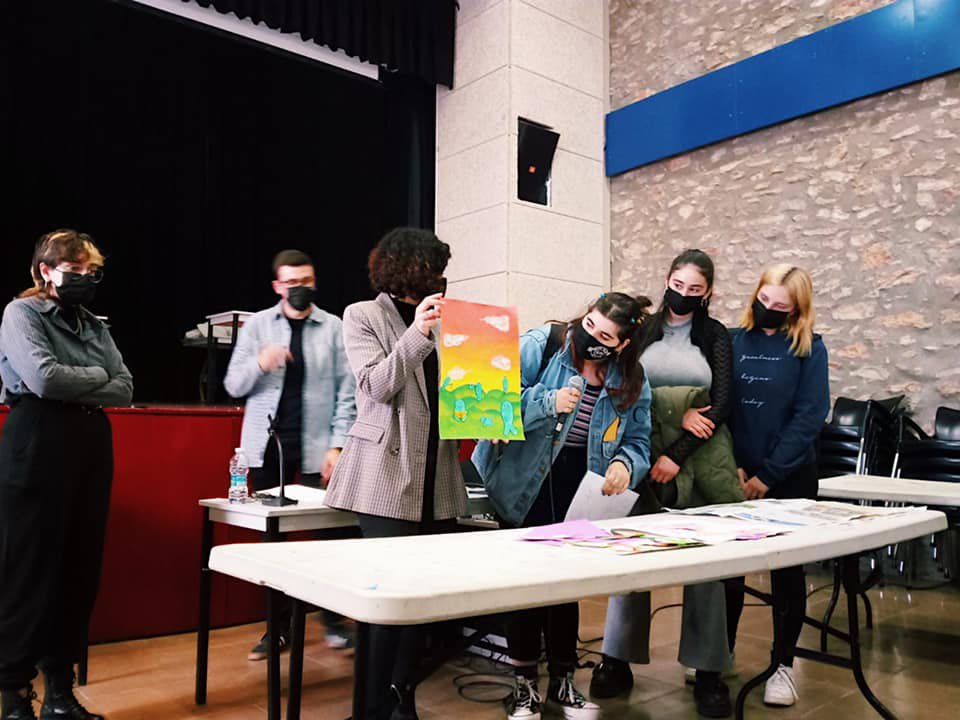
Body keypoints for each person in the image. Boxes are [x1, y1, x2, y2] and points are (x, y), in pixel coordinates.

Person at [472, 292, 652, 720]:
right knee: (525, 586)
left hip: (582, 489)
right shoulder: (544, 344)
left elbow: (639, 439)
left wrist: (627, 465)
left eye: (605, 336)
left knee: (565, 589)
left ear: (622, 345)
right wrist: (546, 403)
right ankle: (523, 685)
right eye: (590, 325)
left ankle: (564, 681)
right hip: (524, 482)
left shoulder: (632, 377)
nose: (592, 338)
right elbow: (487, 400)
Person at [325, 227, 466, 720]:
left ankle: (401, 696)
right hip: (386, 473)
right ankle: (369, 707)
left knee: (420, 602)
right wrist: (418, 333)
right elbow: (375, 386)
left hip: (438, 474)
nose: (442, 280)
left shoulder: (453, 322)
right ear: (409, 269)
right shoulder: (363, 315)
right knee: (385, 605)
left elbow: (462, 393)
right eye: (435, 270)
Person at [590, 250, 739, 717]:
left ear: (708, 293)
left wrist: (675, 457)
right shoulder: (645, 328)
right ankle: (616, 659)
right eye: (679, 283)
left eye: (696, 289)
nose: (685, 294)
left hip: (699, 458)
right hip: (639, 452)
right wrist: (665, 434)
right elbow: (625, 387)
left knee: (706, 566)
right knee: (632, 558)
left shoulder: (715, 335)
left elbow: (722, 401)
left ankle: (708, 671)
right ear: (667, 279)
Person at [0, 229, 133, 720]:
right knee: (28, 572)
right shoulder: (22, 314)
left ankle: (60, 692)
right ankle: (13, 695)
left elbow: (127, 386)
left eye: (89, 273)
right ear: (44, 270)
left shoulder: (94, 325)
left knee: (78, 572)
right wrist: (96, 378)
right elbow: (42, 378)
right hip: (36, 441)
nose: (82, 280)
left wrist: (85, 381)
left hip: (90, 445)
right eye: (72, 271)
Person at [224, 249, 357, 659]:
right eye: (291, 283)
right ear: (278, 286)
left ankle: (332, 621)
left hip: (317, 449)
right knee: (272, 543)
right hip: (268, 449)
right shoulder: (258, 326)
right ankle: (276, 629)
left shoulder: (333, 327)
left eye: (307, 281)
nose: (299, 289)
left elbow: (346, 392)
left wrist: (337, 444)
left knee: (329, 537)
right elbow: (232, 385)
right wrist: (261, 363)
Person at [726, 264, 830, 708]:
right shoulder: (732, 341)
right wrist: (731, 467)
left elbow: (810, 415)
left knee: (787, 573)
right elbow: (721, 405)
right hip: (734, 473)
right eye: (763, 301)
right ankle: (717, 653)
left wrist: (768, 475)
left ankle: (782, 666)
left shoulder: (810, 349)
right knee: (727, 569)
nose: (768, 310)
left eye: (779, 307)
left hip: (788, 476)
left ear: (797, 310)